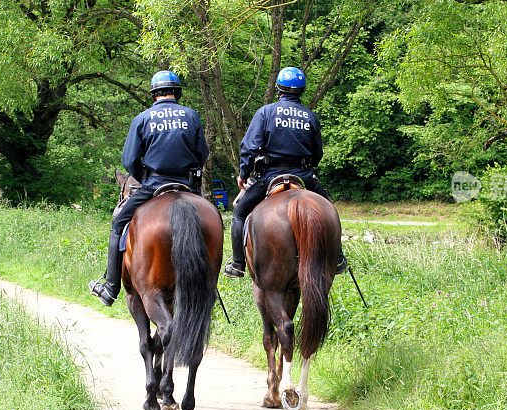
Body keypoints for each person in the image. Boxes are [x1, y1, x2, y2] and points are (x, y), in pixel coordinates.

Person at [88, 70, 208, 306]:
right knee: (208, 222)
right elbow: (202, 153)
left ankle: (111, 286)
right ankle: (209, 287)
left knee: (119, 223)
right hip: (187, 184)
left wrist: (144, 175)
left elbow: (129, 159)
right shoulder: (192, 116)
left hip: (153, 184)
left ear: (154, 94)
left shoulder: (142, 119)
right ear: (177, 92)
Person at [224, 66, 345, 278]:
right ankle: (337, 259)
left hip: (270, 176)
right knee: (330, 211)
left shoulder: (265, 112)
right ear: (302, 90)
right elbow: (317, 154)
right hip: (303, 175)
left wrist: (244, 174)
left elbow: (250, 148)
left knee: (240, 213)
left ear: (278, 88)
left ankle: (237, 263)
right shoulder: (310, 116)